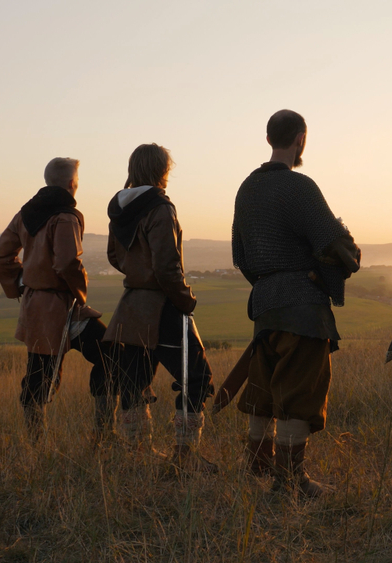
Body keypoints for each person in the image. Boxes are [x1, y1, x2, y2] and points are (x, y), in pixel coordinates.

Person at [230, 109, 360, 497]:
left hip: (265, 304)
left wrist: (269, 283)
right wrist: (348, 255)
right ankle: (289, 482)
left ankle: (257, 464)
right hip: (302, 306)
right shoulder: (299, 187)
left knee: (265, 389)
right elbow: (336, 246)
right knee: (299, 394)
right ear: (300, 139)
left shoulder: (246, 189)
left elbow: (242, 255)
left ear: (270, 138)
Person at [102, 143, 216, 471]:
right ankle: (186, 456)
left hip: (130, 308)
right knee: (197, 377)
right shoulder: (160, 208)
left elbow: (114, 256)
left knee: (134, 381)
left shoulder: (119, 210)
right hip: (163, 307)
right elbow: (167, 267)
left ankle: (137, 452)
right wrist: (185, 300)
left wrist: (137, 274)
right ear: (162, 170)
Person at [0, 157, 114, 442]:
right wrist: (80, 295)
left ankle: (37, 445)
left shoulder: (25, 214)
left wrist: (22, 283)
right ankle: (103, 436)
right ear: (73, 183)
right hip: (66, 308)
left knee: (39, 375)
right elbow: (68, 263)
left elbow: (0, 255)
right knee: (112, 358)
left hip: (35, 307)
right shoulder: (66, 216)